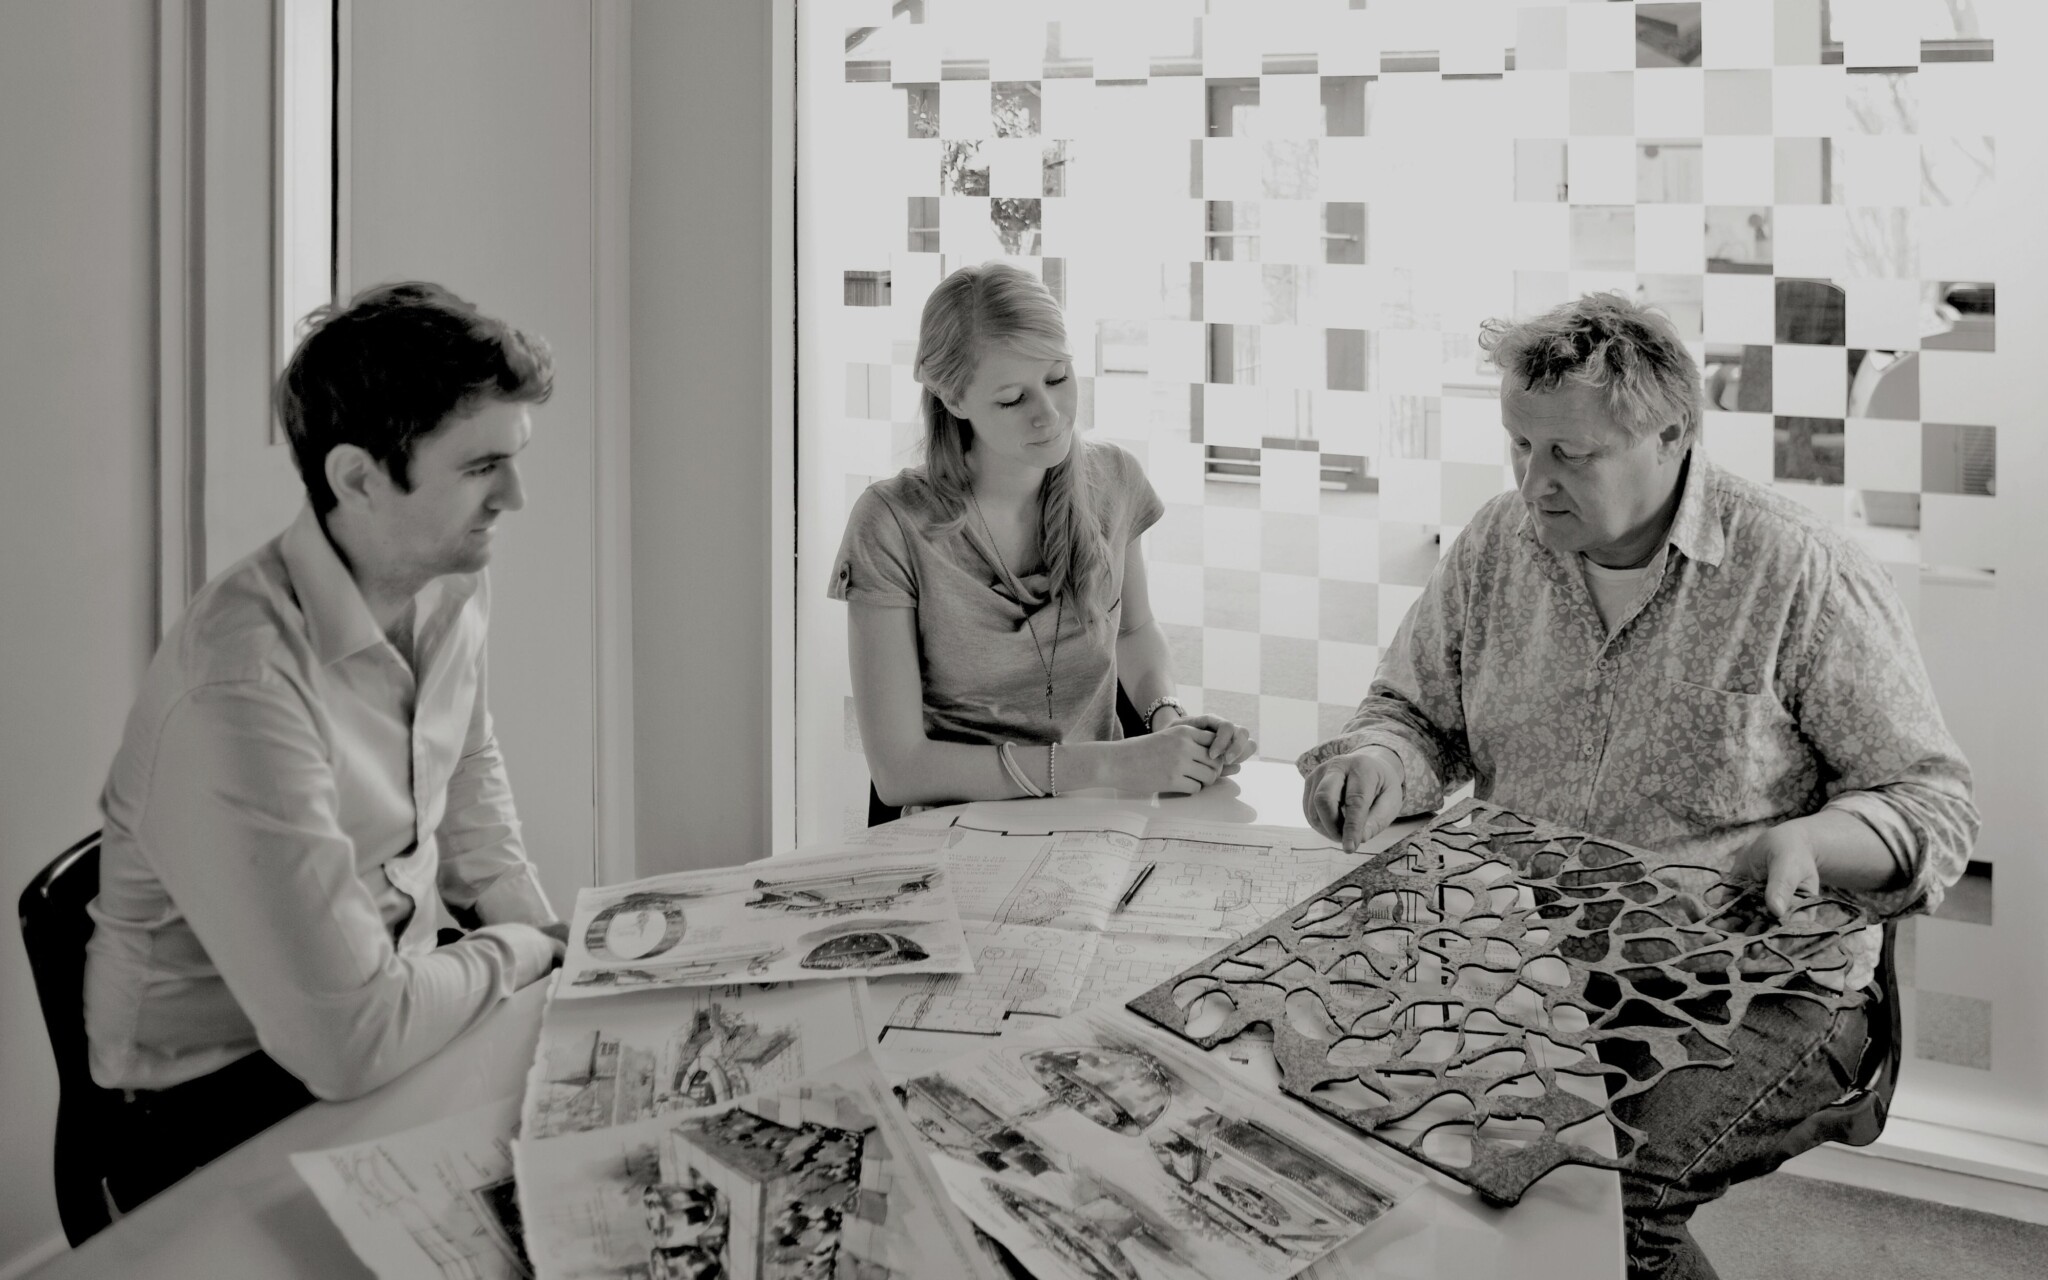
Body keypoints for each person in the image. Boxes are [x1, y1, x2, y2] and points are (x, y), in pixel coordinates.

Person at [1298, 293, 1976, 1278]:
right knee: (1409, 1151)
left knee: (1612, 1206)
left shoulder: (1795, 570)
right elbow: (1410, 714)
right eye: (1517, 445)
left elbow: (1931, 805)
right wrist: (1374, 763)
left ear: (1671, 436)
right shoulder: (1496, 546)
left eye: (1568, 454)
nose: (1533, 481)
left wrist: (1810, 843)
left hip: (1765, 985)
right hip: (1537, 959)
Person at [83, 282, 570, 1211]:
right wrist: (522, 951)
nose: (515, 496)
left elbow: (464, 771)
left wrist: (546, 952)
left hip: (390, 1001)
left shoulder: (449, 577)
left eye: (514, 459)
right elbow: (346, 1044)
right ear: (357, 478)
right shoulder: (240, 684)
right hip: (213, 1098)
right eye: (480, 468)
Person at [831, 261, 1255, 807]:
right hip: (958, 836)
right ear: (954, 400)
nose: (1050, 415)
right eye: (1012, 399)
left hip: (1102, 818)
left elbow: (1134, 630)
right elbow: (900, 772)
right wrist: (1111, 761)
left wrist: (1168, 722)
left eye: (1057, 377)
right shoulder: (889, 524)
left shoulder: (1113, 480)